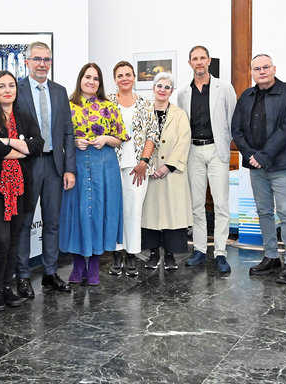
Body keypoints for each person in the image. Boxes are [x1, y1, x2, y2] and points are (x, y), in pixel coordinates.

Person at [0, 71, 44, 311]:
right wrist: (18, 144)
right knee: (0, 241)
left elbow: (38, 145)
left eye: (11, 85)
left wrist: (7, 141)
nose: (7, 90)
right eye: (1, 86)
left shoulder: (24, 116)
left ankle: (6, 287)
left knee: (13, 241)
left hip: (20, 189)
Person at [231, 54, 286, 284]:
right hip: (255, 166)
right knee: (263, 212)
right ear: (251, 72)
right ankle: (271, 257)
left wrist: (263, 155)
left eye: (265, 67)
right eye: (256, 68)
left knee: (285, 212)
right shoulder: (246, 96)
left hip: (281, 165)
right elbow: (237, 129)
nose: (261, 71)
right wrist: (250, 155)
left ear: (274, 69)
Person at [15, 42, 76, 298]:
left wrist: (69, 168)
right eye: (37, 59)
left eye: (47, 59)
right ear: (27, 61)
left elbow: (68, 132)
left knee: (52, 222)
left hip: (54, 165)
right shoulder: (15, 89)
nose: (42, 64)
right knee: (25, 223)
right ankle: (23, 276)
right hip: (27, 164)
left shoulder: (60, 91)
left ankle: (50, 273)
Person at [59, 63, 128, 285]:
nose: (91, 81)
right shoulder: (66, 106)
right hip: (76, 165)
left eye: (96, 78)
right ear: (80, 79)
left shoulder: (110, 107)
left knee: (100, 212)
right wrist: (73, 141)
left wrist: (106, 139)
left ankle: (95, 265)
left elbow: (120, 138)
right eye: (87, 77)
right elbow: (57, 137)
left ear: (100, 83)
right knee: (78, 212)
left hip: (104, 165)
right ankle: (78, 266)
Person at [176, 46, 236, 275]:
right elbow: (182, 125)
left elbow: (233, 118)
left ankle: (220, 252)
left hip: (216, 150)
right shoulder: (183, 93)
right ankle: (200, 250)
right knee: (197, 205)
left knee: (221, 204)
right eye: (195, 59)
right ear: (190, 62)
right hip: (193, 152)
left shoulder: (224, 88)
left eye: (202, 58)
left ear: (209, 61)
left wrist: (225, 142)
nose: (199, 62)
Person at [107, 61, 157, 277]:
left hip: (137, 167)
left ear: (134, 77)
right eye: (120, 75)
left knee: (133, 211)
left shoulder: (146, 104)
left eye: (128, 74)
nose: (124, 78)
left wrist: (144, 161)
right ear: (115, 79)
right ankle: (117, 254)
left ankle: (131, 256)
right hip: (110, 165)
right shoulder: (106, 103)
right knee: (115, 211)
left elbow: (152, 134)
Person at [141, 72, 192, 271]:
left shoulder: (179, 114)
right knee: (150, 214)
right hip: (149, 171)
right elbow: (139, 140)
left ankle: (170, 254)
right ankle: (153, 253)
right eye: (159, 86)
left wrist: (167, 166)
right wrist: (149, 166)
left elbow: (183, 141)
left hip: (172, 173)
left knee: (173, 214)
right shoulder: (144, 111)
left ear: (171, 91)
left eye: (167, 87)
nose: (162, 90)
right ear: (153, 89)